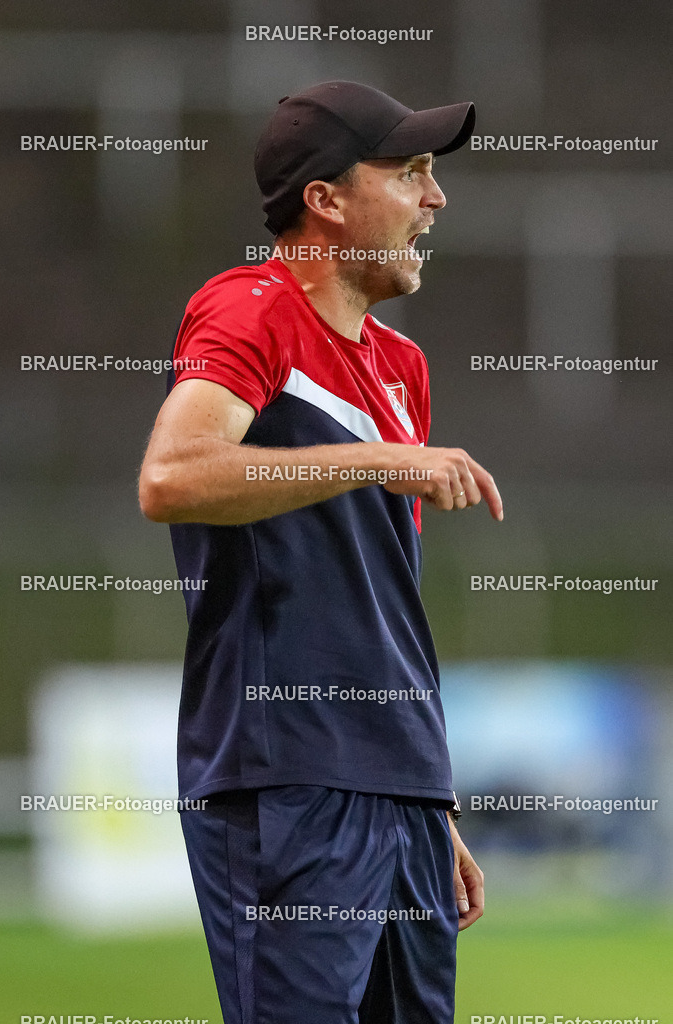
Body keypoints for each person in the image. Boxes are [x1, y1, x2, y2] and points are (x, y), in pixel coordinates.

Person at [139, 80, 503, 1024]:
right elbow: (173, 477)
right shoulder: (249, 306)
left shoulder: (400, 365)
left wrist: (430, 799)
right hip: (289, 772)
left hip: (398, 783)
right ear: (326, 201)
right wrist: (380, 456)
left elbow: (380, 602)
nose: (436, 199)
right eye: (411, 172)